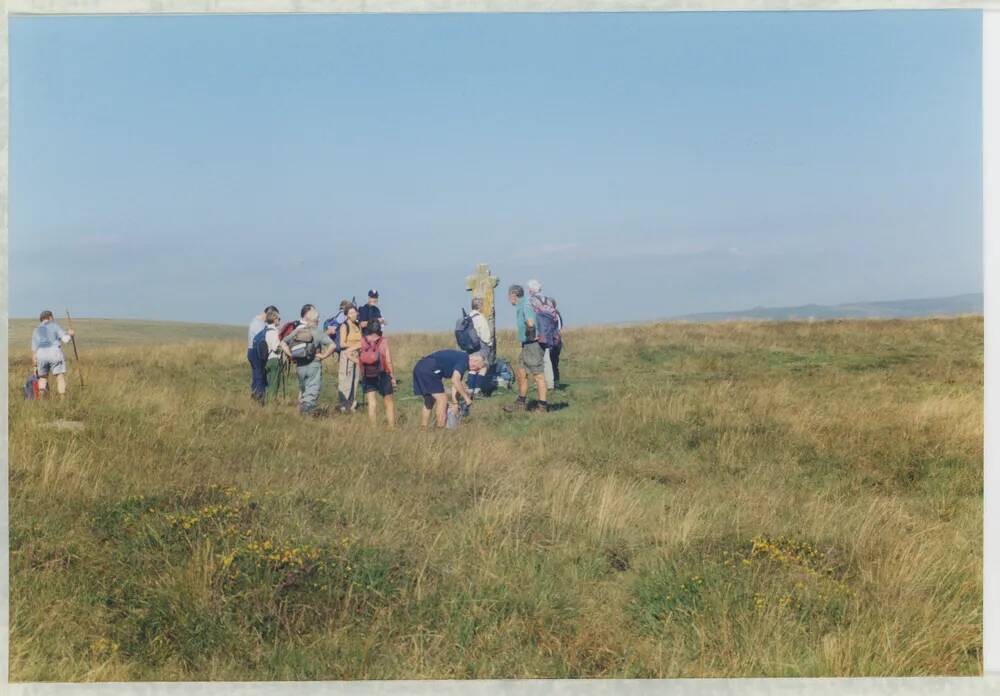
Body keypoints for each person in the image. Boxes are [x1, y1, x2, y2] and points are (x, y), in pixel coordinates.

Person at [279, 304, 337, 416]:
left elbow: (282, 343)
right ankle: (307, 415)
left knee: (303, 389)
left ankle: (301, 414)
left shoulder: (298, 331)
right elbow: (333, 346)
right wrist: (324, 355)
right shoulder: (318, 332)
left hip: (300, 366)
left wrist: (291, 355)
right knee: (312, 391)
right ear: (316, 320)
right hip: (313, 365)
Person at [412, 349, 486, 428]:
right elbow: (455, 380)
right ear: (475, 361)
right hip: (429, 369)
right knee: (442, 400)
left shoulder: (462, 359)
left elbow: (455, 385)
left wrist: (455, 403)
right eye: (478, 368)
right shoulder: (464, 360)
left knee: (429, 400)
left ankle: (424, 428)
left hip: (420, 367)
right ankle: (440, 430)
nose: (476, 371)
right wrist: (466, 398)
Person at [504, 284, 548, 413]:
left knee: (538, 375)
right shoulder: (521, 305)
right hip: (526, 345)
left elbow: (530, 322)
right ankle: (521, 403)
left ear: (513, 295)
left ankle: (542, 406)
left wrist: (530, 336)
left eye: (508, 296)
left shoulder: (525, 305)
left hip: (533, 344)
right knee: (521, 373)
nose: (508, 299)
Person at [359, 323, 397, 427]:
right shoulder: (383, 341)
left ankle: (373, 427)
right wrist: (392, 376)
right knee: (388, 401)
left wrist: (360, 368)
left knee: (372, 402)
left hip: (367, 374)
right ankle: (391, 427)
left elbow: (352, 354)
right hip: (382, 373)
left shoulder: (363, 340)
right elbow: (388, 360)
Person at [527, 279, 563, 390]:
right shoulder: (550, 300)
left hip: (540, 335)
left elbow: (531, 320)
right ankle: (555, 381)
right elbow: (557, 318)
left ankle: (542, 383)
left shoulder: (531, 301)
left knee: (539, 360)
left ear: (531, 290)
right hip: (553, 333)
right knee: (553, 359)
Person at [30, 310, 76, 397]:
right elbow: (65, 340)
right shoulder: (54, 326)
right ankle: (63, 400)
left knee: (43, 378)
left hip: (41, 355)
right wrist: (70, 334)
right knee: (59, 377)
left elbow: (33, 350)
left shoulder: (36, 329)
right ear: (50, 317)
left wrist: (34, 366)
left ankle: (41, 400)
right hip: (54, 353)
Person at [248, 305, 279, 402]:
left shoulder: (255, 321)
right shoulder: (260, 325)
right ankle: (259, 398)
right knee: (260, 375)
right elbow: (262, 343)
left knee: (256, 375)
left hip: (252, 350)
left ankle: (255, 395)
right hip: (257, 351)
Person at [337, 305, 363, 412]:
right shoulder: (344, 326)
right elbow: (342, 344)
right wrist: (354, 346)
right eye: (351, 313)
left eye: (354, 312)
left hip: (357, 355)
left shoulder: (358, 325)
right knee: (345, 379)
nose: (353, 314)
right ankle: (343, 405)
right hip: (347, 355)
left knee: (355, 379)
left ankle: (352, 404)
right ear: (346, 315)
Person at [467, 297, 493, 398]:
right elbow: (485, 335)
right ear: (480, 306)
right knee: (483, 366)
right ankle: (477, 390)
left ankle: (470, 391)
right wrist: (489, 344)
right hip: (480, 346)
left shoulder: (468, 317)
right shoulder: (480, 317)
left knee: (472, 367)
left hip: (470, 347)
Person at [262, 308, 286, 404]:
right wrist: (284, 346)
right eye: (279, 319)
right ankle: (271, 404)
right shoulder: (274, 332)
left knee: (269, 382)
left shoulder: (265, 331)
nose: (279, 321)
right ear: (274, 319)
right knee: (274, 384)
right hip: (275, 359)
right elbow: (276, 348)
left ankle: (267, 402)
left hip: (266, 360)